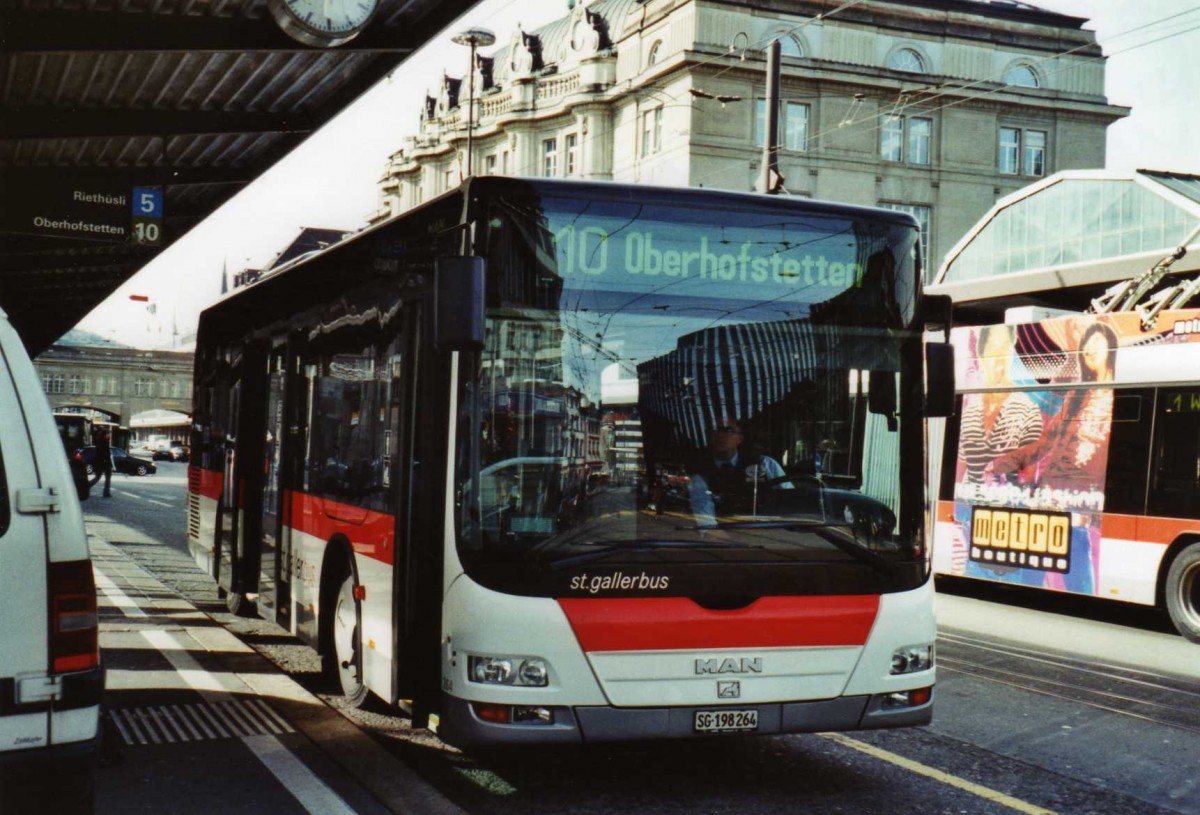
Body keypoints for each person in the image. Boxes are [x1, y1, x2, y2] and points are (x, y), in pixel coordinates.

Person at [982, 321, 1118, 593]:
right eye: (1086, 346)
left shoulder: (1114, 397)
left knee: (1079, 586)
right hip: (1046, 503)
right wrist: (1005, 462)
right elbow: (1046, 442)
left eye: (1097, 344)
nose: (1090, 350)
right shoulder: (1075, 396)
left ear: (1110, 349)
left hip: (1076, 508)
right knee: (1030, 585)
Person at [688, 416, 791, 526]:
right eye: (715, 430)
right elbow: (703, 511)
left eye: (728, 430)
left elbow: (790, 500)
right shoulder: (699, 471)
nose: (720, 435)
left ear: (740, 438)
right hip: (720, 537)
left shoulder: (763, 464)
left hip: (765, 533)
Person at [89, 429, 114, 498]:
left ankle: (88, 486)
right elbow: (105, 454)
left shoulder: (101, 441)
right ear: (105, 435)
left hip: (101, 463)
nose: (109, 435)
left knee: (99, 477)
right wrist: (108, 463)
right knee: (106, 478)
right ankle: (106, 492)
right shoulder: (104, 442)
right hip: (104, 463)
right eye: (108, 434)